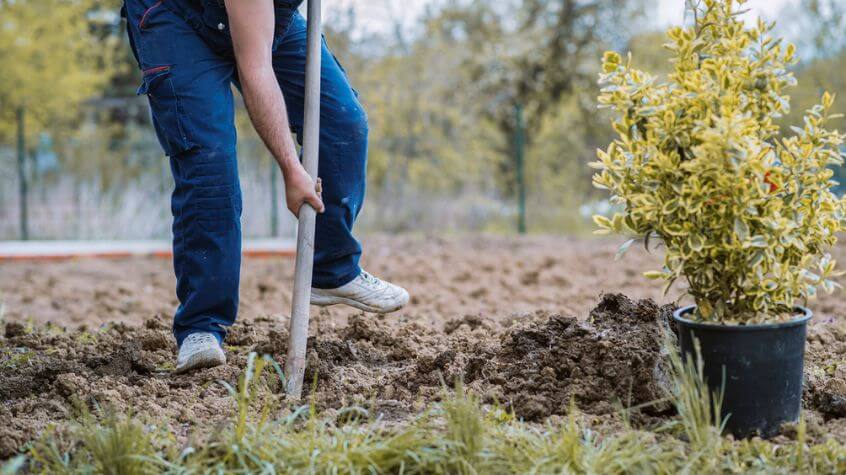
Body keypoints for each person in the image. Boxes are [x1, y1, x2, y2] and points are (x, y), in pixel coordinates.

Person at [121, 0, 409, 374]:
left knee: (341, 122)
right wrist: (292, 169)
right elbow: (255, 65)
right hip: (176, 15)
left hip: (265, 17)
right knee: (210, 165)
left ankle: (331, 268)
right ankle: (201, 327)